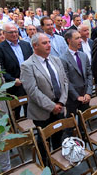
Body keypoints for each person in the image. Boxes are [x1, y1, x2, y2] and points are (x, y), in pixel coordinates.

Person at [20, 32, 68, 164]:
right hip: (42, 111)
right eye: (44, 43)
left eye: (49, 42)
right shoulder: (27, 65)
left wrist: (61, 102)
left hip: (59, 106)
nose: (49, 45)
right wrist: (52, 106)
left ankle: (58, 161)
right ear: (35, 46)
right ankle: (46, 164)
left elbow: (64, 82)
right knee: (44, 140)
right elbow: (32, 91)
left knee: (58, 135)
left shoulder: (56, 60)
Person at [0, 23, 33, 119]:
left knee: (31, 110)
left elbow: (33, 62)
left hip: (28, 83)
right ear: (4, 33)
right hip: (13, 87)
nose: (14, 34)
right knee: (15, 113)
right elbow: (0, 69)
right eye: (11, 32)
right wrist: (13, 80)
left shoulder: (26, 45)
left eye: (15, 32)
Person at [60, 29, 93, 118]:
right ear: (69, 40)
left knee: (84, 121)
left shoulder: (83, 56)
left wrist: (88, 93)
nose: (80, 40)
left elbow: (89, 74)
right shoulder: (63, 59)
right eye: (77, 38)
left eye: (80, 37)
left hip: (85, 95)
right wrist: (77, 96)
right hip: (72, 98)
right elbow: (65, 80)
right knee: (71, 123)